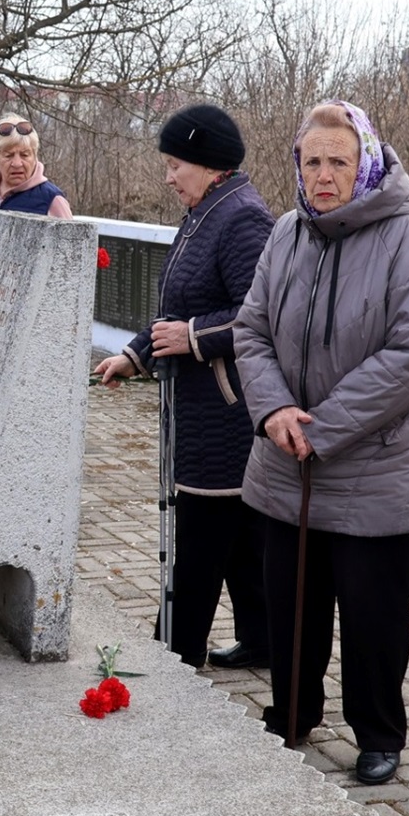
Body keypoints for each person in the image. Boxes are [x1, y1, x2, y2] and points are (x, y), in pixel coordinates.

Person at [233, 100, 409, 787]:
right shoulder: (288, 232)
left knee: (373, 616)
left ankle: (379, 731)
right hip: (285, 463)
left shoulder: (404, 238)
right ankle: (292, 712)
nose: (324, 175)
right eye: (312, 161)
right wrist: (273, 413)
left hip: (372, 470)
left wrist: (319, 425)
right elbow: (251, 329)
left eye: (339, 162)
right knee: (292, 604)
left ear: (366, 163)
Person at [93, 104, 275, 671]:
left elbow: (258, 316)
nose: (169, 176)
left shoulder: (242, 218)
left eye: (176, 164)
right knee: (241, 536)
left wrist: (194, 337)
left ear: (209, 163)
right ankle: (262, 640)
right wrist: (133, 353)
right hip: (197, 406)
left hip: (226, 412)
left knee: (199, 540)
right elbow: (177, 306)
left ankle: (174, 657)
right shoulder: (203, 212)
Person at [0, 113, 73, 263]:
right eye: (8, 155)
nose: (17, 163)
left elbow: (69, 264)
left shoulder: (52, 200)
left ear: (35, 156)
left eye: (24, 155)